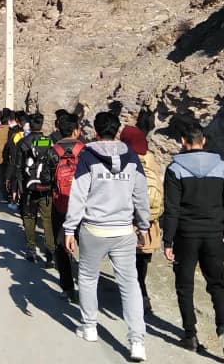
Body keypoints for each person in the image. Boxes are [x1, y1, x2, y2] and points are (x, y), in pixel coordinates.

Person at [63, 102, 150, 362]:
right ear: (117, 131)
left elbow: (78, 195)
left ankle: (89, 327)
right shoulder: (131, 157)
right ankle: (137, 342)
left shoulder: (87, 156)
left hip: (93, 229)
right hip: (123, 230)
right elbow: (141, 194)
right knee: (130, 284)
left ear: (96, 132)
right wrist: (143, 225)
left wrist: (69, 229)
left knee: (88, 278)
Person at [163, 117, 224, 362]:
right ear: (203, 141)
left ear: (183, 141)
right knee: (217, 285)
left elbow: (172, 209)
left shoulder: (175, 169)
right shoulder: (223, 168)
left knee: (185, 286)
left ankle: (190, 335)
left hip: (186, 235)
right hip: (214, 234)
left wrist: (168, 241)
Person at [120, 108, 163, 315]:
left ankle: (135, 298)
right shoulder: (151, 158)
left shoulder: (124, 159)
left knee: (127, 264)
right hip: (149, 221)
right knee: (141, 263)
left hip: (127, 222)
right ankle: (142, 295)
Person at [46, 109, 86, 303]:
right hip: (84, 206)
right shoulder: (85, 150)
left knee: (61, 246)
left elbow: (45, 179)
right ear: (76, 130)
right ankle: (87, 288)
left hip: (60, 204)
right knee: (86, 247)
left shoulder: (52, 151)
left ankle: (68, 288)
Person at [14, 113, 56, 265]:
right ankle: (50, 252)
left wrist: (17, 188)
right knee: (47, 219)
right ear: (42, 124)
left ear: (29, 125)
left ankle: (31, 250)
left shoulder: (23, 142)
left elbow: (18, 167)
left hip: (28, 187)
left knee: (29, 217)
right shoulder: (49, 141)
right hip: (46, 187)